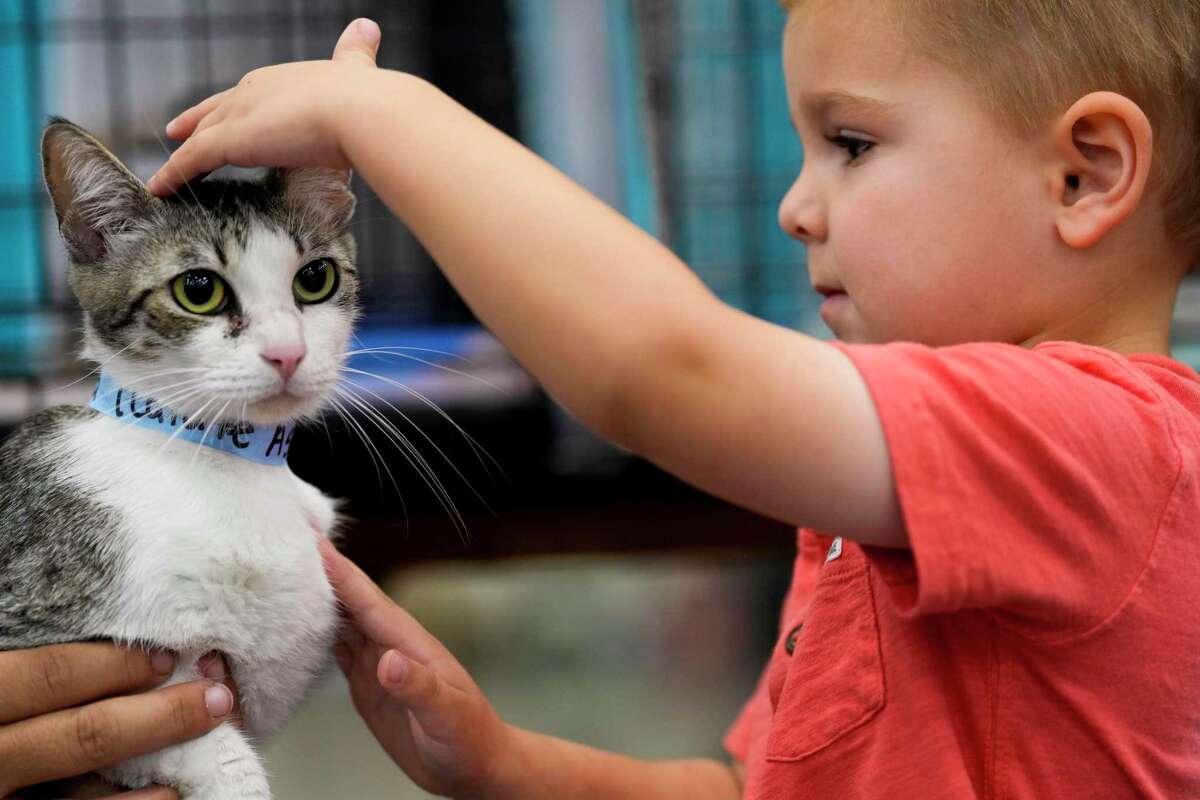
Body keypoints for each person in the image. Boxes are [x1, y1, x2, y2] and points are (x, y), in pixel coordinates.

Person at [8, 0, 1200, 795]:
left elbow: (662, 371)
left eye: (850, 143)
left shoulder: (1105, 443)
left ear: (1083, 173)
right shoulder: (888, 515)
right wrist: (507, 761)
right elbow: (756, 787)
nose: (795, 206)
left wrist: (385, 114)